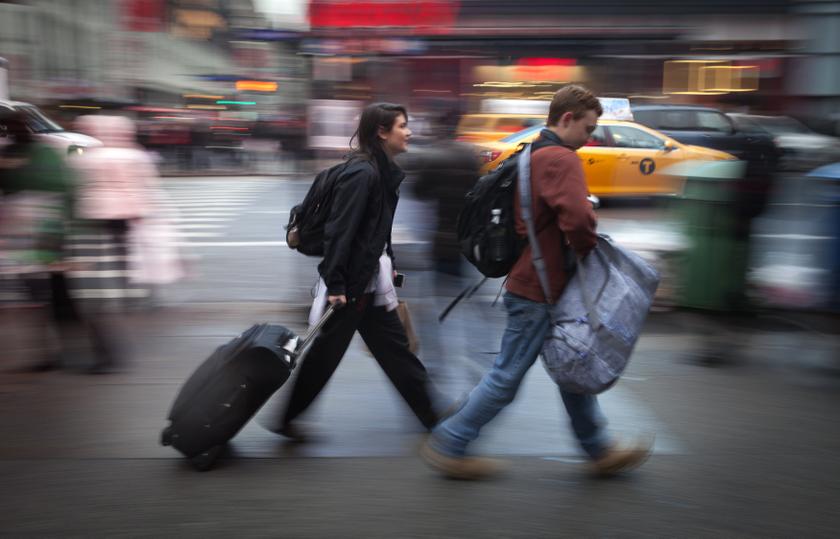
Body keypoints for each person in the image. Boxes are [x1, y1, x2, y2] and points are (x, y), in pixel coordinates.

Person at [421, 85, 652, 479]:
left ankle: (597, 448)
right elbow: (579, 221)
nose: (590, 138)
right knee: (507, 377)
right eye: (588, 128)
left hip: (532, 282)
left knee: (572, 369)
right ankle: (451, 442)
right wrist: (586, 248)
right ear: (567, 119)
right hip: (539, 291)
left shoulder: (532, 154)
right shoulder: (562, 158)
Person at [275, 103, 442, 441]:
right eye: (402, 126)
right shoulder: (363, 174)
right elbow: (341, 231)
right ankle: (435, 419)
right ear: (382, 132)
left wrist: (390, 268)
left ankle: (434, 417)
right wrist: (336, 283)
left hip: (365, 281)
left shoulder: (380, 172)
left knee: (388, 351)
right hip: (351, 284)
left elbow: (376, 232)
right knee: (336, 352)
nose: (409, 132)